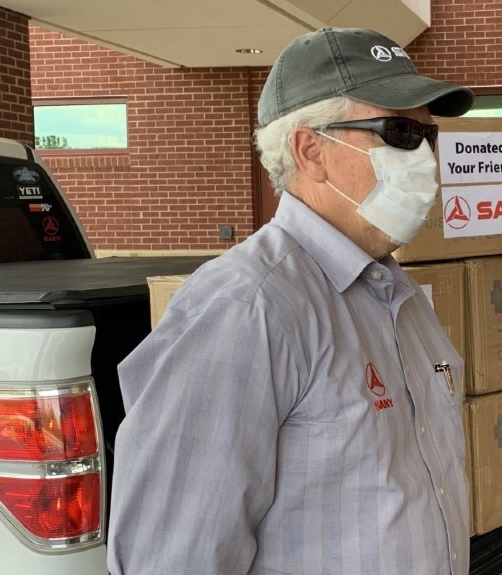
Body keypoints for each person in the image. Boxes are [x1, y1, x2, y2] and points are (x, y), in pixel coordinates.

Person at [107, 27, 474, 575]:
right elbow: (172, 558)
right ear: (311, 151)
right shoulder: (245, 308)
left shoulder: (397, 291)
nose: (424, 157)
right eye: (399, 132)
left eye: (428, 136)